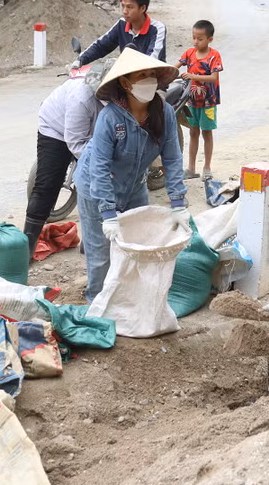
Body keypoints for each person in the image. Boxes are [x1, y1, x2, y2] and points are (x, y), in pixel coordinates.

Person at [74, 48, 188, 302]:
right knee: (101, 254)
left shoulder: (165, 114)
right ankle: (98, 303)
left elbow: (172, 159)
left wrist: (178, 203)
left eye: (151, 74)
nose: (149, 80)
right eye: (141, 75)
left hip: (135, 186)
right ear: (125, 83)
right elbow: (99, 167)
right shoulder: (110, 118)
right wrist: (108, 214)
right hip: (95, 187)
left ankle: (132, 301)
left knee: (139, 245)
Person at [23, 59, 114, 254]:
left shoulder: (122, 97)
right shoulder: (81, 98)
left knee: (98, 186)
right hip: (56, 128)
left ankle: (91, 243)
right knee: (48, 185)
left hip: (90, 132)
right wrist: (102, 165)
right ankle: (27, 248)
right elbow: (75, 143)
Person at [72, 0, 167, 67]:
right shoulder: (122, 24)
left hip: (152, 78)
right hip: (127, 77)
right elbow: (101, 45)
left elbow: (152, 59)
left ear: (142, 8)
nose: (124, 11)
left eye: (129, 7)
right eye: (123, 6)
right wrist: (80, 60)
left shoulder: (157, 29)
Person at [175, 20, 223, 179]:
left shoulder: (214, 56)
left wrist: (192, 76)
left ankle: (207, 167)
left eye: (200, 39)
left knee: (207, 133)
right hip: (191, 101)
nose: (196, 41)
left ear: (210, 39)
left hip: (208, 102)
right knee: (193, 132)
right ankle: (191, 168)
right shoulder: (189, 53)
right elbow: (175, 66)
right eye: (194, 37)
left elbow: (213, 77)